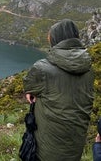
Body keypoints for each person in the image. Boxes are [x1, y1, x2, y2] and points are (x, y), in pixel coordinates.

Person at [23, 19, 94, 161]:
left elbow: (28, 85)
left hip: (46, 151)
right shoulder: (89, 69)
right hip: (75, 148)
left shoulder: (42, 68)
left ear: (56, 40)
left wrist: (31, 93)